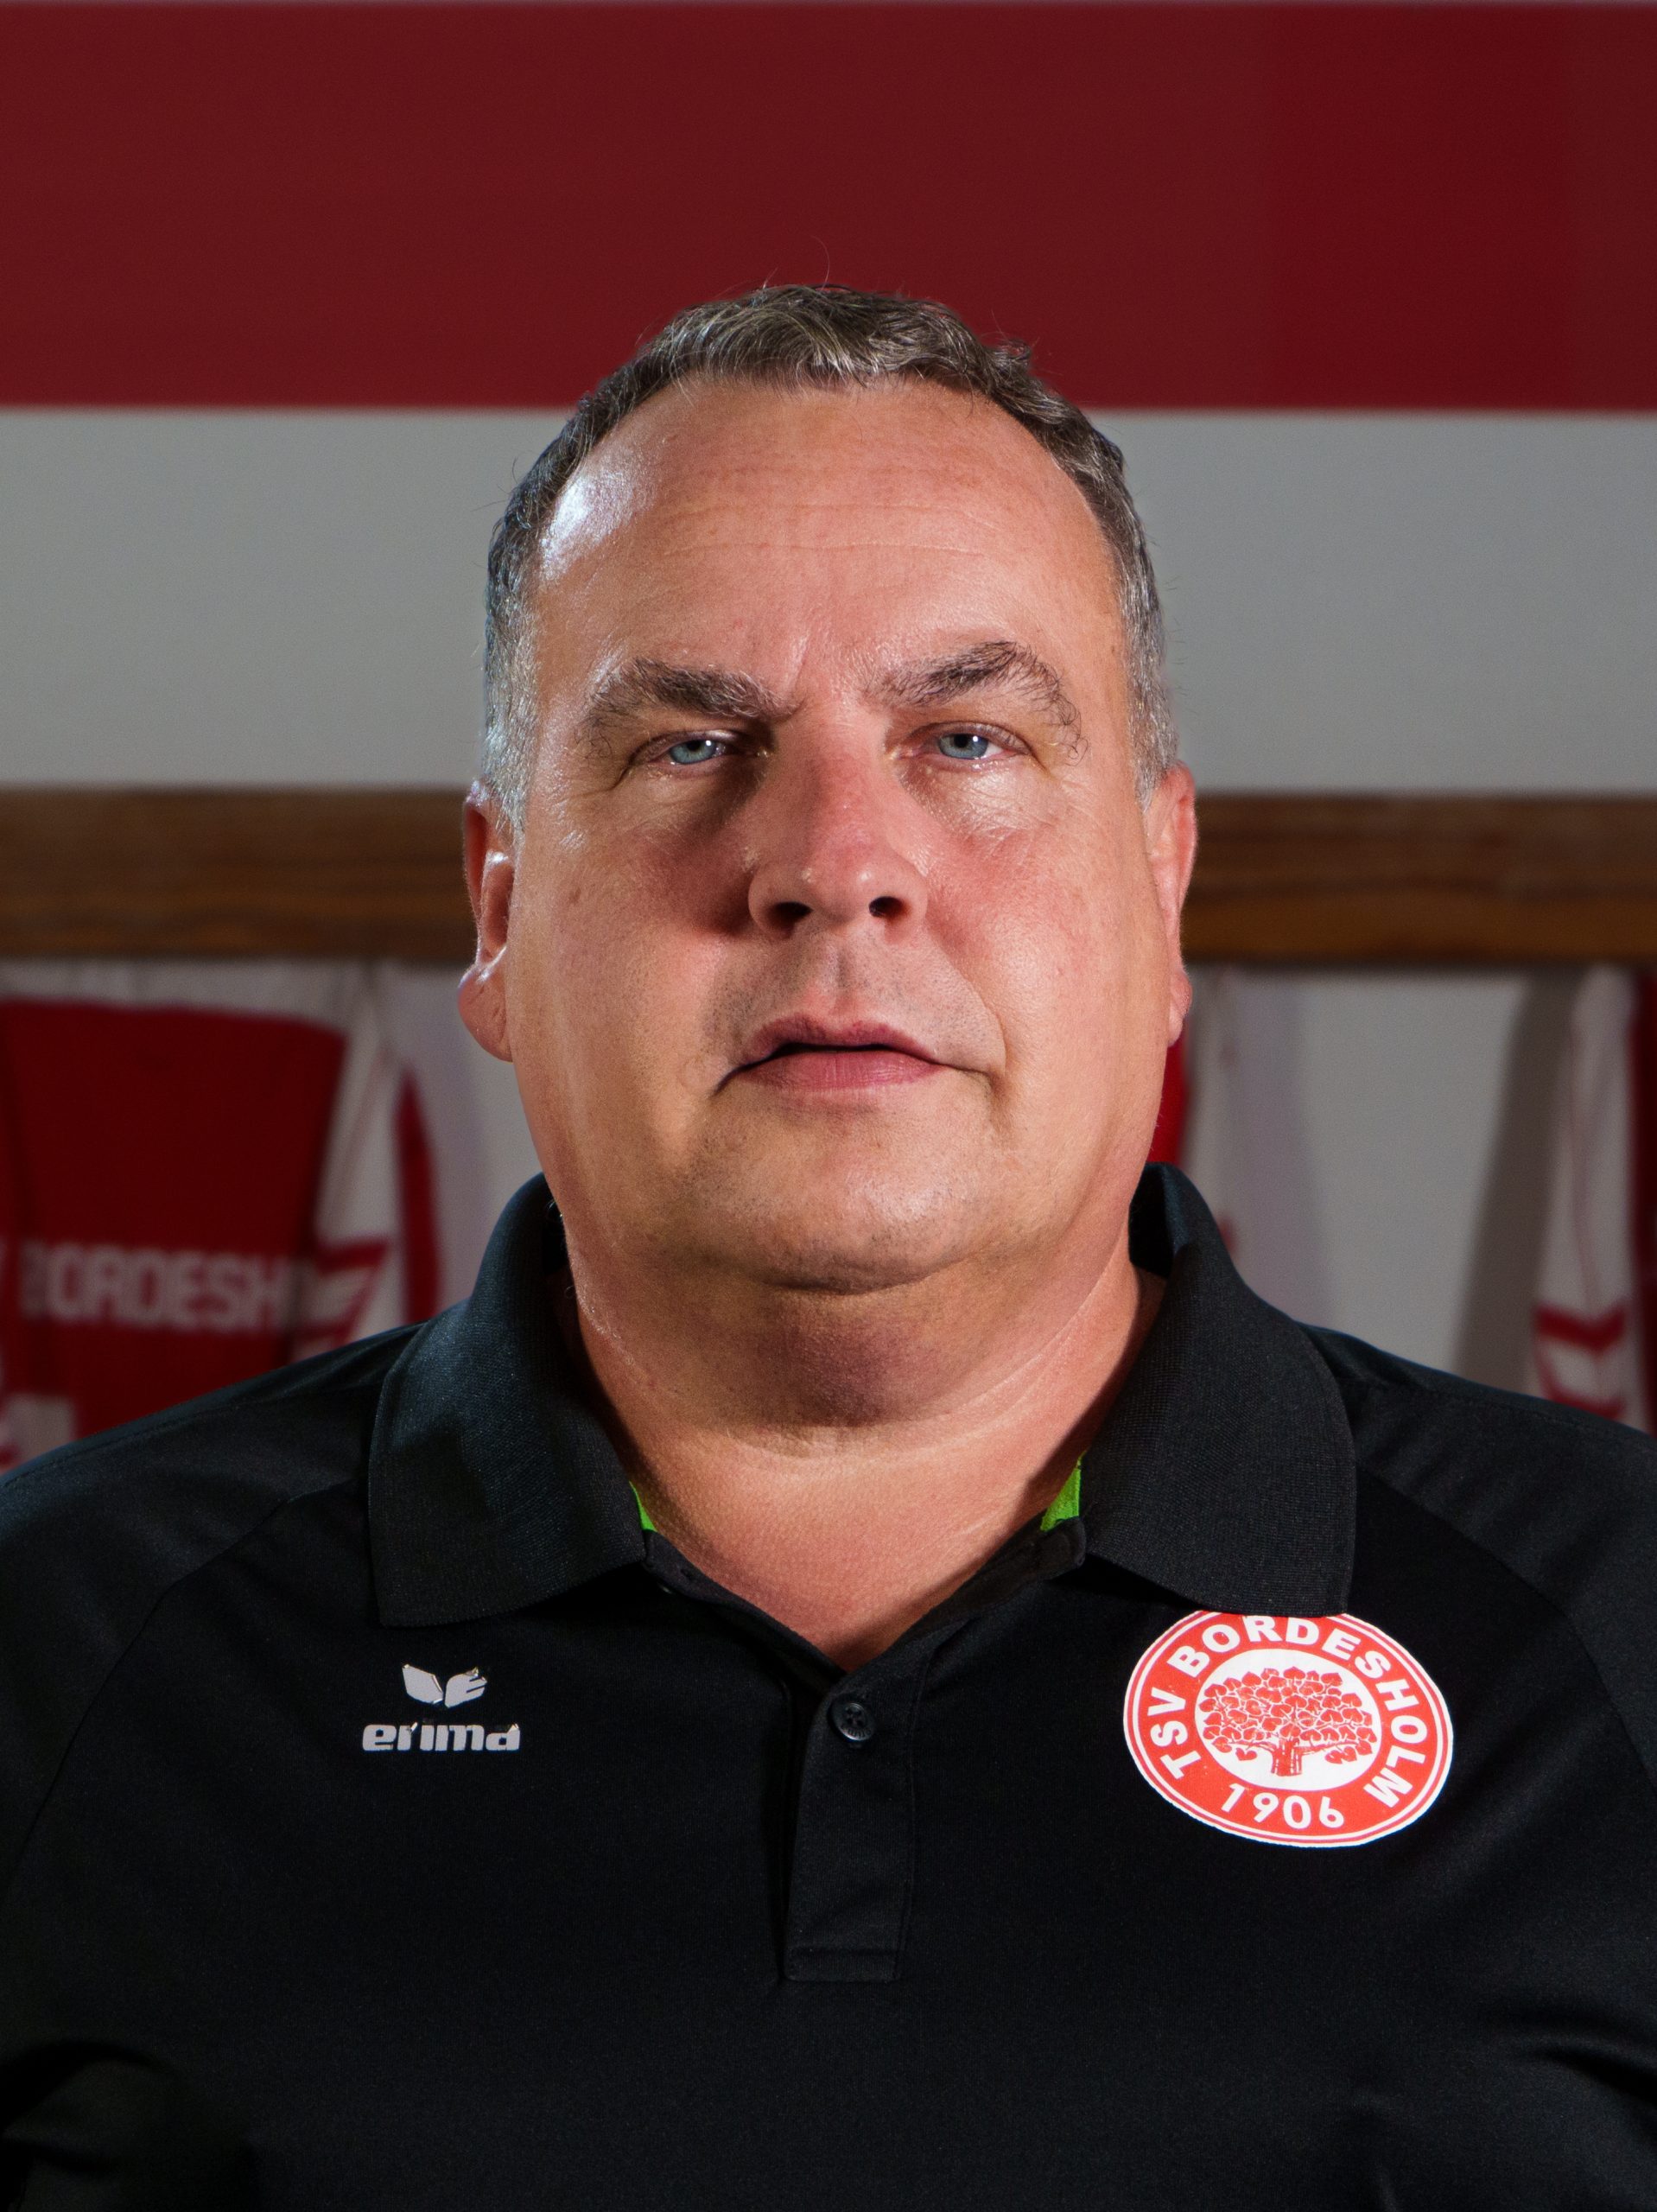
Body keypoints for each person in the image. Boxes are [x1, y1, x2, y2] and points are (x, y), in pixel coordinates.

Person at [3, 286, 1655, 2212]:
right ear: (499, 911)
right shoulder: (55, 1643)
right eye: (692, 741)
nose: (832, 863)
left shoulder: (1619, 1625)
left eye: (965, 736)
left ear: (1160, 888)